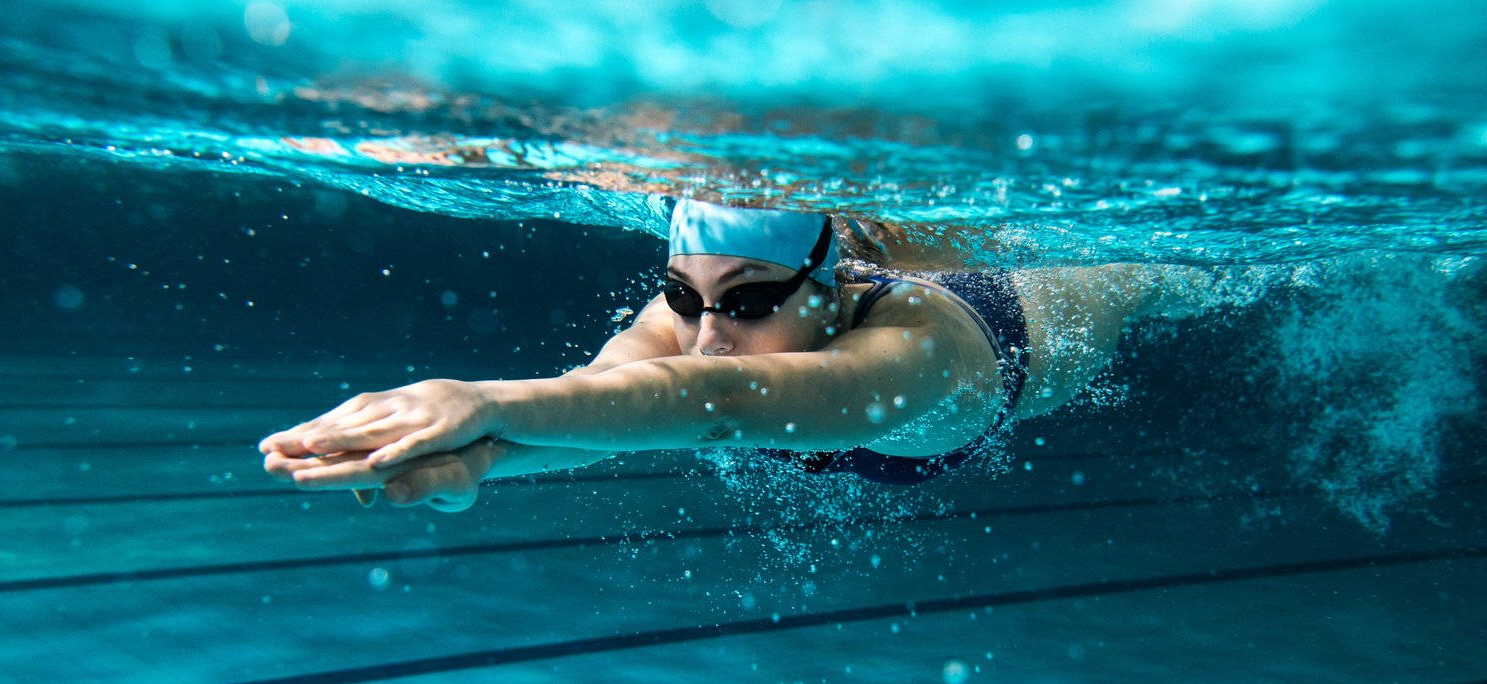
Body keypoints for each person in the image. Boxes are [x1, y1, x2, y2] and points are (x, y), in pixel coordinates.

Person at [260, 199, 1196, 510]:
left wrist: (478, 399)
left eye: (747, 301)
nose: (706, 332)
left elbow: (720, 401)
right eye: (683, 296)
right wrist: (478, 462)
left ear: (829, 288)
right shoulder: (699, 322)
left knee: (1169, 272)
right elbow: (601, 402)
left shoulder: (918, 352)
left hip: (1051, 309)